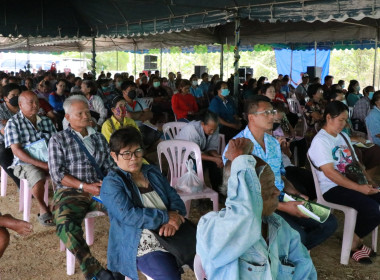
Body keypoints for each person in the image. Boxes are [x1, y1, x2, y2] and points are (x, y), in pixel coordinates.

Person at [223, 95, 337, 250]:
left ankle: (293, 252)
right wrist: (284, 207)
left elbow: (280, 174)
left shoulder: (272, 142)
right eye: (266, 113)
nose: (272, 116)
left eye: (272, 112)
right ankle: (287, 253)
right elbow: (244, 194)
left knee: (329, 222)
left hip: (282, 196)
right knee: (297, 235)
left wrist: (294, 192)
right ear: (252, 117)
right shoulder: (237, 147)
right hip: (258, 205)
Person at [197, 138, 317, 279]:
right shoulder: (211, 227)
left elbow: (305, 269)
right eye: (268, 186)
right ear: (242, 191)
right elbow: (245, 217)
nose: (277, 192)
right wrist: (239, 160)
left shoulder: (279, 226)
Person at [101, 126, 187, 280]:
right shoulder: (112, 183)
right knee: (169, 276)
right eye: (126, 153)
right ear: (114, 156)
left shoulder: (151, 171)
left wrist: (175, 219)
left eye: (137, 151)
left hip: (170, 230)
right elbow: (128, 216)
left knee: (208, 256)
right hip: (140, 240)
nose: (134, 158)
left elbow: (174, 198)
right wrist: (166, 217)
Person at [48, 95, 116, 280]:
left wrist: (107, 184)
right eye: (81, 113)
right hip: (71, 192)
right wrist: (84, 186)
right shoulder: (58, 139)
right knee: (65, 224)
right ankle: (94, 270)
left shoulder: (99, 137)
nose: (87, 116)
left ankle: (120, 264)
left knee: (124, 213)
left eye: (87, 111)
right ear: (68, 117)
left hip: (100, 190)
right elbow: (57, 174)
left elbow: (110, 166)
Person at [309, 100, 380, 264]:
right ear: (328, 117)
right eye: (340, 119)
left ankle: (353, 237)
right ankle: (354, 243)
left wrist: (369, 182)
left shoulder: (342, 136)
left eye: (345, 119)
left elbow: (356, 164)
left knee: (377, 200)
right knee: (372, 208)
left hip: (351, 183)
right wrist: (359, 189)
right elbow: (331, 174)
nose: (344, 123)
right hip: (332, 188)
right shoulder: (321, 141)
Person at [4, 91, 57, 226]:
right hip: (24, 162)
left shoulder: (45, 121)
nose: (35, 105)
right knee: (36, 174)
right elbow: (16, 151)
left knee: (64, 171)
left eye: (37, 102)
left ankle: (58, 203)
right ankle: (43, 207)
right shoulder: (13, 123)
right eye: (31, 103)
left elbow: (56, 143)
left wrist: (53, 162)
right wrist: (42, 164)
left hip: (47, 159)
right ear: (21, 105)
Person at [175, 110, 223, 192]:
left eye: (214, 130)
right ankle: (195, 192)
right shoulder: (192, 130)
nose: (213, 132)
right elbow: (194, 154)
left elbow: (211, 147)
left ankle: (217, 190)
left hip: (199, 151)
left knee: (216, 163)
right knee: (198, 164)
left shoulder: (215, 128)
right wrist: (214, 159)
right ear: (203, 124)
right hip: (182, 153)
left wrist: (217, 157)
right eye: (211, 129)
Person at [121, 81, 161, 149]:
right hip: (130, 129)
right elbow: (129, 116)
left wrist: (135, 116)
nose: (133, 91)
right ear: (124, 92)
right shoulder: (121, 102)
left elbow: (150, 115)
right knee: (138, 139)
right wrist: (142, 113)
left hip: (144, 125)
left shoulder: (140, 100)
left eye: (134, 89)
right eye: (131, 90)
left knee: (160, 134)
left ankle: (148, 151)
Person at [0, 84, 21, 188]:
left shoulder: (23, 107)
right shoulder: (0, 110)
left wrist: (9, 122)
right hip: (4, 141)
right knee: (2, 154)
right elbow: (5, 132)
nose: (16, 97)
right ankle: (20, 183)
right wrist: (19, 124)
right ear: (5, 98)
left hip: (24, 139)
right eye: (13, 95)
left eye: (18, 94)